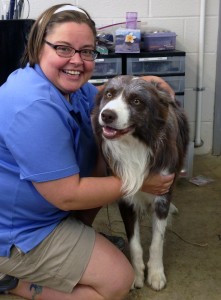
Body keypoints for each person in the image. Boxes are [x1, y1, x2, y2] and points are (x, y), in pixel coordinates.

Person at [0, 4, 175, 300]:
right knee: (117, 281)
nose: (77, 61)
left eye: (87, 51)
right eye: (63, 48)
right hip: (18, 232)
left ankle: (75, 241)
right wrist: (141, 183)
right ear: (37, 46)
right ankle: (12, 279)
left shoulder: (67, 85)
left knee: (103, 157)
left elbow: (106, 97)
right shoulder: (32, 106)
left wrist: (144, 84)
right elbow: (67, 194)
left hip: (48, 213)